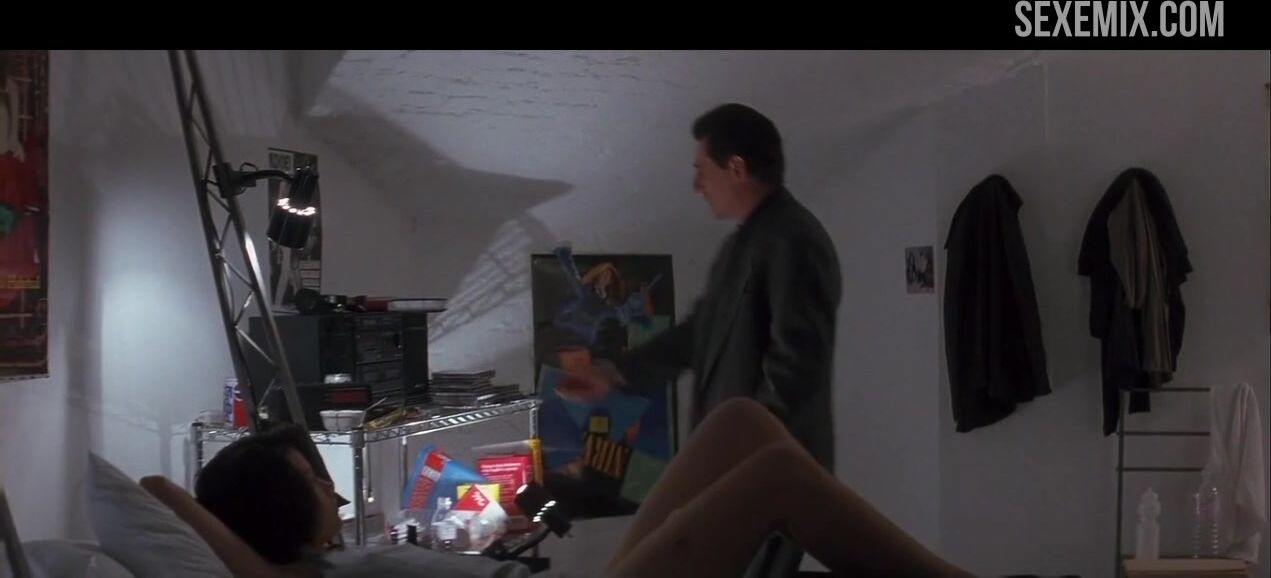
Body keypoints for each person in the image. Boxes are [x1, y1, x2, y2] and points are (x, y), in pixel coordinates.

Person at [141, 398, 969, 578]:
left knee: (739, 424)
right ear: (277, 511)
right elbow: (151, 488)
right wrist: (190, 504)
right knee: (776, 477)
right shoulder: (299, 577)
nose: (329, 489)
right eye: (310, 480)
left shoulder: (343, 558)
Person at [575, 102, 842, 472]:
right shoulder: (743, 244)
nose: (697, 186)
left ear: (736, 168)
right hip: (743, 461)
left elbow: (798, 363)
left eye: (702, 170)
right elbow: (698, 333)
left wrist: (745, 444)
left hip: (770, 467)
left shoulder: (792, 240)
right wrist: (614, 373)